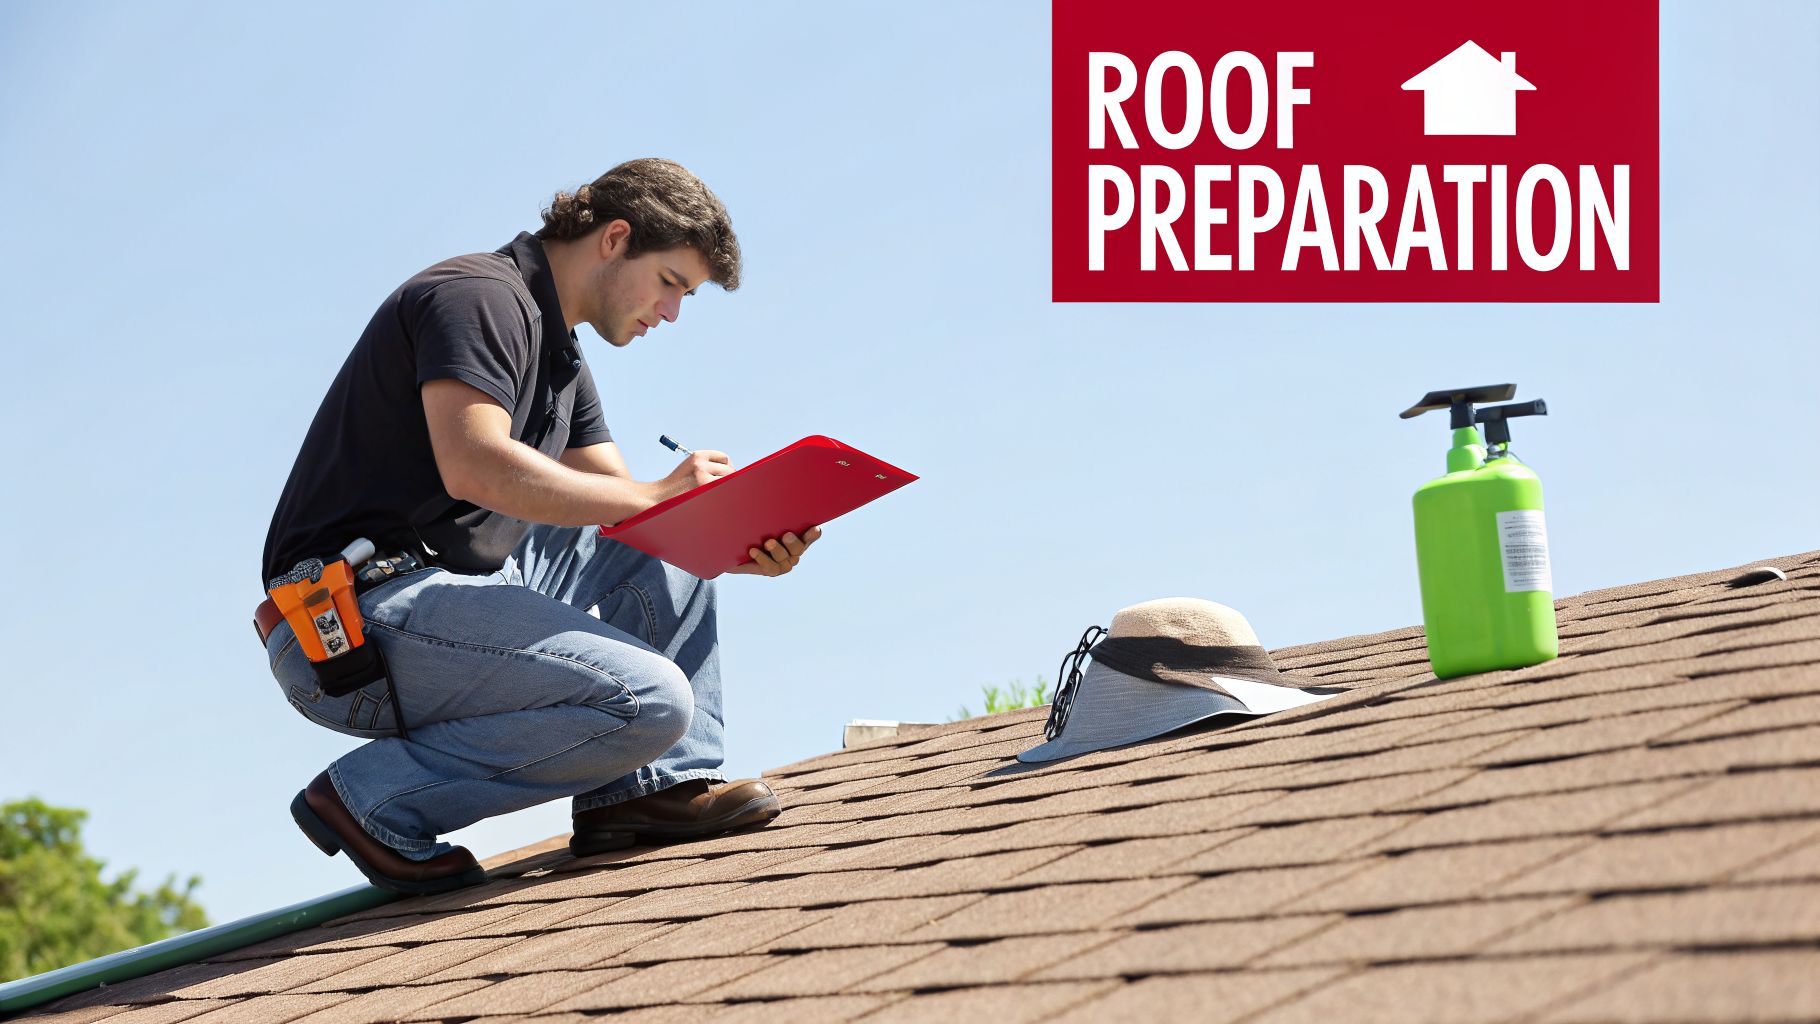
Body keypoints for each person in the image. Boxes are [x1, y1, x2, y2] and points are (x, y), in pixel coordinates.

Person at [256, 158, 818, 894]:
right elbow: (476, 465)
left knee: (654, 534)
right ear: (615, 239)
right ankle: (373, 798)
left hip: (447, 594)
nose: (673, 313)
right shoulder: (479, 298)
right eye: (672, 284)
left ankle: (645, 794)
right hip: (349, 625)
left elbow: (622, 505)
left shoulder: (560, 355)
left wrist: (727, 542)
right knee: (652, 699)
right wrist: (654, 499)